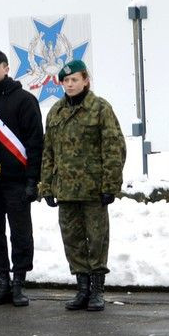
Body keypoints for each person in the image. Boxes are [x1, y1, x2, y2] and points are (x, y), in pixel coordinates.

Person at [39, 59, 125, 312]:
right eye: (65, 81)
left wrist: (111, 184)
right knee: (73, 240)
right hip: (65, 189)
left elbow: (113, 148)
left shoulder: (100, 108)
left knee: (96, 239)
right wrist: (46, 186)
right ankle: (82, 288)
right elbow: (48, 152)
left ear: (86, 80)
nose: (69, 84)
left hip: (93, 188)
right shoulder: (56, 111)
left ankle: (97, 289)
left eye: (74, 80)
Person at [0, 49, 43, 307]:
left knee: (20, 233)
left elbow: (35, 142)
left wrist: (32, 180)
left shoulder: (24, 100)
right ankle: (2, 281)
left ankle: (18, 283)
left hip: (15, 180)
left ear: (6, 68)